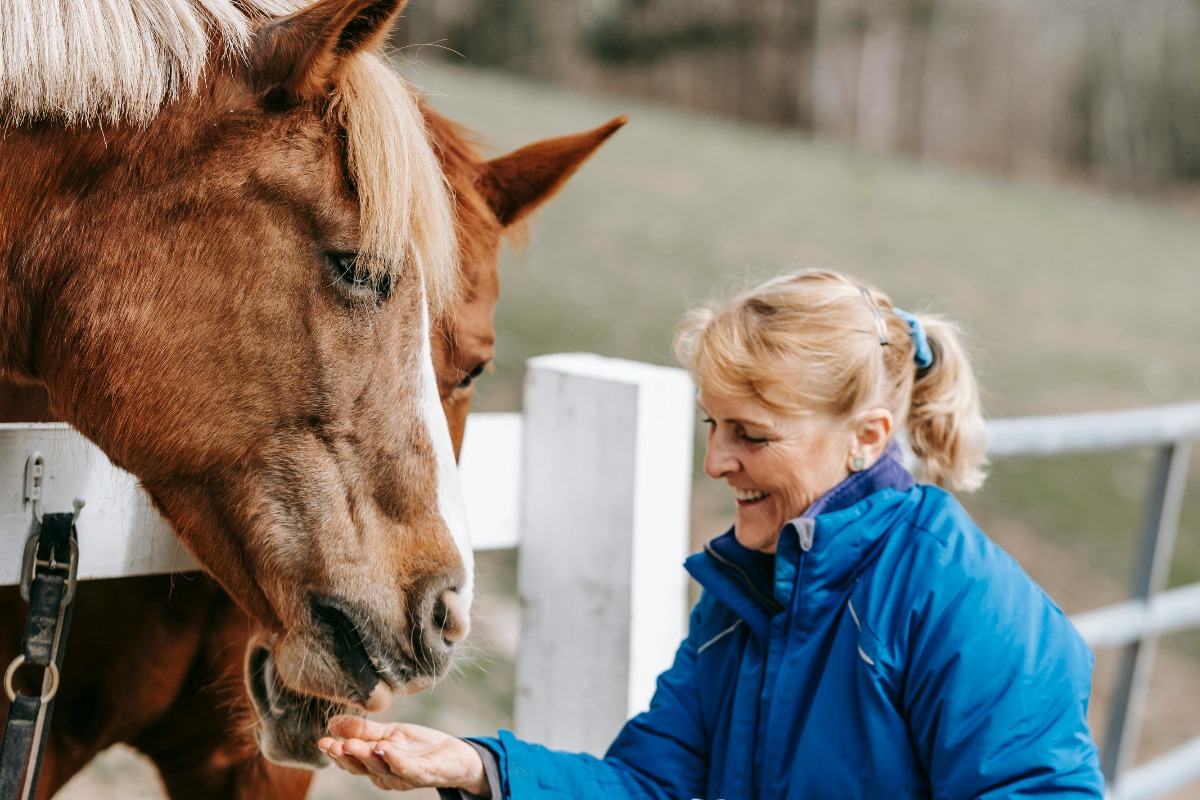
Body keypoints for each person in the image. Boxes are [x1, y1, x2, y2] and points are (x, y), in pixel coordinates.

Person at [319, 268, 1104, 799]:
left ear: (866, 437)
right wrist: (481, 768)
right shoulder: (745, 593)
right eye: (712, 425)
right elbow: (653, 785)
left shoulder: (972, 607)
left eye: (751, 434)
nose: (716, 461)